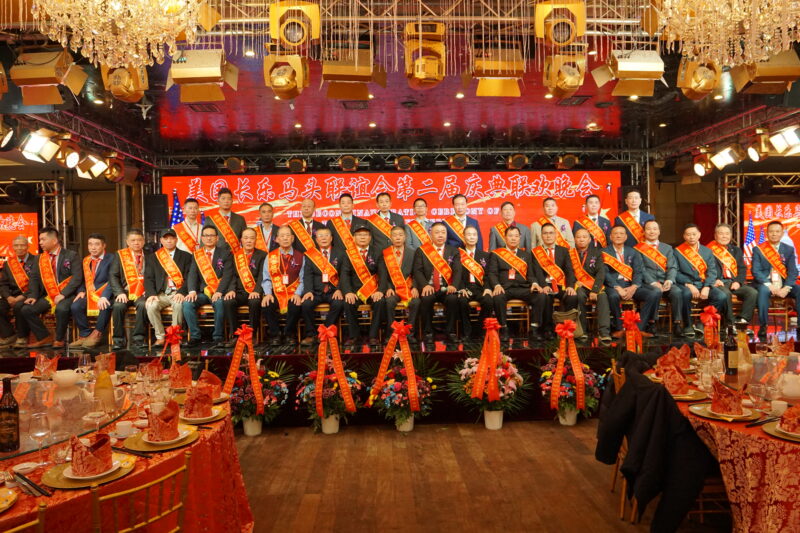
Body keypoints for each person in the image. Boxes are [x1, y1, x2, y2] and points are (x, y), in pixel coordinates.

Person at [19, 227, 82, 348]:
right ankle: (44, 337)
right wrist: (33, 296)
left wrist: (63, 294)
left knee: (61, 308)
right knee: (26, 309)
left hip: (67, 294)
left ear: (54, 241)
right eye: (39, 240)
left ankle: (59, 339)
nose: (40, 242)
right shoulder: (39, 258)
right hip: (49, 295)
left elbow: (77, 277)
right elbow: (34, 278)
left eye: (43, 239)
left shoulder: (71, 255)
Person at [486, 226, 543, 342]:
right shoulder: (496, 254)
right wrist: (497, 285)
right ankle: (503, 329)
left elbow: (531, 275)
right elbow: (492, 273)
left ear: (520, 238)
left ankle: (534, 328)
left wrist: (534, 283)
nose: (513, 238)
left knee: (540, 295)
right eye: (510, 236)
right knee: (497, 297)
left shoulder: (526, 255)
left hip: (522, 287)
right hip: (504, 288)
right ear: (505, 238)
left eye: (516, 236)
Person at [602, 225, 660, 335]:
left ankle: (639, 328)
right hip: (614, 286)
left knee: (653, 294)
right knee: (613, 296)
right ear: (610, 237)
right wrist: (618, 288)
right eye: (615, 233)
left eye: (621, 234)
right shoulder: (604, 252)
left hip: (630, 284)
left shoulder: (633, 252)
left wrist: (634, 287)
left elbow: (638, 271)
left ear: (626, 237)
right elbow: (605, 273)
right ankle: (619, 328)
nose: (618, 236)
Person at [183, 226, 234, 349]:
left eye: (211, 235)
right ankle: (195, 336)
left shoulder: (225, 253)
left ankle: (218, 337)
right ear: (202, 238)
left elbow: (228, 275)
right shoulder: (197, 255)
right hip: (202, 292)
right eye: (206, 235)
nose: (209, 238)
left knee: (220, 303)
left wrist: (219, 291)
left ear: (217, 238)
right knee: (187, 303)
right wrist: (192, 291)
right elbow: (192, 274)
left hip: (219, 292)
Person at [413, 222, 462, 344]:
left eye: (443, 232)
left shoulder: (453, 251)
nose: (440, 235)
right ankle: (428, 332)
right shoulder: (422, 250)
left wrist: (454, 285)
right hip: (429, 286)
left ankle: (450, 332)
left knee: (452, 299)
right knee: (426, 299)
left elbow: (457, 271)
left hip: (446, 287)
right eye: (437, 232)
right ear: (430, 234)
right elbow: (417, 271)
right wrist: (424, 285)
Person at [750, 220, 800, 340]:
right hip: (765, 283)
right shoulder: (758, 249)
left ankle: (799, 325)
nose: (774, 234)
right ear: (767, 233)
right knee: (763, 291)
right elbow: (756, 271)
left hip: (783, 283)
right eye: (771, 231)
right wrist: (769, 285)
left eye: (777, 231)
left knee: (799, 289)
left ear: (782, 233)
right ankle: (763, 325)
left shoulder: (788, 249)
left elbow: (793, 271)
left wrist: (786, 288)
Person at [674, 224, 725, 336]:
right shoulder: (677, 251)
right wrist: (689, 284)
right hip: (686, 284)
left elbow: (712, 272)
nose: (691, 237)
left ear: (699, 235)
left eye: (694, 234)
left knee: (721, 296)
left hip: (703, 283)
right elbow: (675, 272)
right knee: (685, 294)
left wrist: (707, 286)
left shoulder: (707, 251)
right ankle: (687, 325)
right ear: (684, 236)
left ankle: (702, 322)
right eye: (688, 234)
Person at [635, 220, 684, 336]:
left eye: (654, 229)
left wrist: (669, 280)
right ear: (644, 232)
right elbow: (641, 269)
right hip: (648, 283)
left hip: (665, 281)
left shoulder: (667, 248)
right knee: (656, 291)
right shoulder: (638, 248)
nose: (652, 231)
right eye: (648, 229)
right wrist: (652, 282)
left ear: (659, 231)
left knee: (677, 291)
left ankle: (677, 323)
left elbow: (672, 267)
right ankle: (652, 323)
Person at [144, 229, 193, 347]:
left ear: (176, 240)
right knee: (151, 305)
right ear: (161, 240)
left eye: (171, 238)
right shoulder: (153, 257)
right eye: (166, 238)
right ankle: (160, 337)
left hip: (177, 292)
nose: (169, 241)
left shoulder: (186, 256)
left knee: (179, 305)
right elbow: (148, 278)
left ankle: (175, 336)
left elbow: (190, 278)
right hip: (160, 294)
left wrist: (181, 292)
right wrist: (151, 294)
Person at [531, 223, 579, 338]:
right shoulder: (536, 252)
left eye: (551, 233)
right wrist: (543, 285)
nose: (548, 236)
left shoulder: (564, 251)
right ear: (541, 235)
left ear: (556, 234)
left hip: (561, 284)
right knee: (546, 296)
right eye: (545, 233)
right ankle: (548, 329)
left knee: (572, 296)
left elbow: (569, 270)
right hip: (546, 284)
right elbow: (537, 272)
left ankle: (566, 327)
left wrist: (570, 286)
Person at [300, 227, 345, 346]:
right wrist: (308, 291)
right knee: (306, 304)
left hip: (333, 291)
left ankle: (326, 332)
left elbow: (344, 274)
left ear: (331, 238)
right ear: (316, 239)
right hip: (316, 291)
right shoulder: (311, 255)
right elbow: (307, 275)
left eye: (326, 235)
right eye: (320, 236)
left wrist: (339, 289)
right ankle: (311, 335)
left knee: (339, 303)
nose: (323, 238)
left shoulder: (340, 253)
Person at [708, 223, 758, 329]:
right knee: (725, 294)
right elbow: (704, 269)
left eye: (727, 234)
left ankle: (743, 320)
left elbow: (742, 268)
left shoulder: (736, 250)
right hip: (719, 283)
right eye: (721, 233)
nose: (724, 236)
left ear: (731, 236)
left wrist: (738, 282)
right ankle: (730, 323)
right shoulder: (708, 250)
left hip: (733, 282)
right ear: (715, 235)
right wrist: (714, 280)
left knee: (752, 292)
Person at [261, 225, 305, 346]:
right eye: (282, 236)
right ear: (277, 239)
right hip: (276, 292)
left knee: (295, 304)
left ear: (292, 238)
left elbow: (303, 279)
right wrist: (268, 294)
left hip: (293, 292)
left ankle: (289, 334)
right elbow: (266, 279)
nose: (285, 238)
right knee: (267, 304)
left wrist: (298, 294)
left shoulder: (300, 256)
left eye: (287, 235)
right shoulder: (270, 257)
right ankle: (275, 334)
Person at [222, 228, 266, 346]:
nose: (248, 241)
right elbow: (231, 276)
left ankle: (252, 335)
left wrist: (257, 291)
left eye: (251, 238)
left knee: (255, 302)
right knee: (228, 301)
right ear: (241, 240)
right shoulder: (235, 256)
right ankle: (235, 335)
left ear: (256, 240)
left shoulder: (263, 255)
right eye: (246, 238)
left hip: (255, 291)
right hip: (239, 292)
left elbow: (262, 276)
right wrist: (231, 290)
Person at [69, 233, 115, 349]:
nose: (93, 247)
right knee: (75, 306)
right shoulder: (86, 260)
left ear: (104, 246)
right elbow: (81, 279)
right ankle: (85, 334)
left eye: (96, 244)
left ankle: (97, 333)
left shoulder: (112, 259)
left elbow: (113, 280)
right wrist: (81, 290)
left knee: (105, 305)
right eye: (90, 244)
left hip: (107, 294)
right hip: (89, 294)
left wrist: (104, 296)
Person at [340, 226, 383, 347]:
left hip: (373, 291)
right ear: (354, 238)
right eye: (359, 235)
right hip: (355, 292)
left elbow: (383, 273)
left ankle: (373, 336)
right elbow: (344, 274)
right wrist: (348, 292)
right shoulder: (348, 254)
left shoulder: (377, 251)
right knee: (348, 303)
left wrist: (380, 291)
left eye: (365, 235)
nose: (362, 237)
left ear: (370, 238)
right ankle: (354, 336)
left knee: (380, 302)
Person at [378, 225, 420, 341]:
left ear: (405, 237)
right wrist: (388, 287)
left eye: (400, 235)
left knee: (416, 302)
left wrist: (415, 287)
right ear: (390, 238)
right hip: (393, 288)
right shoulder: (385, 253)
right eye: (395, 235)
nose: (398, 238)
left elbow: (417, 272)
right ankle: (391, 333)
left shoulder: (413, 253)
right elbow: (382, 274)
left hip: (408, 288)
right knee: (389, 301)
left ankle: (410, 334)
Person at [109, 228, 149, 351]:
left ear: (143, 241)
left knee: (143, 305)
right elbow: (113, 275)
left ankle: (138, 338)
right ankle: (118, 340)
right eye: (133, 240)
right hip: (125, 292)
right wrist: (119, 292)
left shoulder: (150, 255)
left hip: (142, 292)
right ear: (127, 242)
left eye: (139, 240)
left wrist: (150, 291)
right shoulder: (120, 255)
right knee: (118, 306)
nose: (136, 243)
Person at [571, 228, 611, 344]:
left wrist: (595, 290)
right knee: (579, 295)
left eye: (584, 237)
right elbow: (567, 272)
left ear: (589, 240)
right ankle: (582, 331)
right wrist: (574, 282)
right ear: (574, 239)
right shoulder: (570, 254)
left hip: (594, 285)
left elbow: (600, 273)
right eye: (578, 237)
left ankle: (604, 333)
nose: (581, 239)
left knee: (603, 297)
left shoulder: (597, 253)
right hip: (579, 286)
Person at [457, 225, 494, 339]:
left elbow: (489, 274)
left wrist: (487, 288)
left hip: (480, 288)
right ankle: (467, 332)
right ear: (463, 237)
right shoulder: (458, 255)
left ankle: (479, 329)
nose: (472, 237)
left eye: (474, 235)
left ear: (477, 238)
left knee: (488, 301)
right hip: (465, 288)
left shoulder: (486, 255)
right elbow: (456, 274)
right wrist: (461, 288)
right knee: (461, 301)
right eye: (469, 234)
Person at [0, 235, 36, 347]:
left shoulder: (36, 261)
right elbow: (3, 284)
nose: (19, 248)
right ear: (13, 247)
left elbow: (38, 284)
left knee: (19, 306)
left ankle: (22, 336)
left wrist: (23, 296)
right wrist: (8, 297)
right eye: (16, 245)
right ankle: (9, 335)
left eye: (22, 245)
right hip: (11, 296)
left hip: (30, 295)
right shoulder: (8, 263)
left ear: (28, 246)